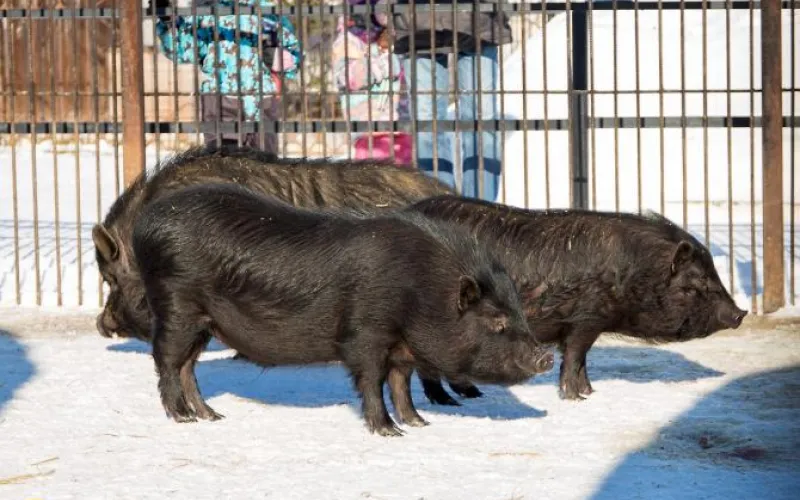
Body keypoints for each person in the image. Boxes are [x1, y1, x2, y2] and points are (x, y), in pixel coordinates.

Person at [390, 0, 512, 200]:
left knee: (468, 120)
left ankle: (465, 209)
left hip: (462, 19)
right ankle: (452, 209)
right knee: (471, 120)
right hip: (426, 20)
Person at [152, 0, 302, 152]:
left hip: (263, 102)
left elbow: (295, 55)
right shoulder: (206, 12)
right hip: (221, 101)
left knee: (265, 169)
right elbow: (181, 50)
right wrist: (168, 22)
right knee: (224, 168)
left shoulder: (269, 14)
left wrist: (278, 57)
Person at [330, 0, 411, 165]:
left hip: (401, 125)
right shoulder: (347, 41)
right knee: (373, 183)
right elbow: (350, 79)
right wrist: (379, 50)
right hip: (368, 130)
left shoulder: (398, 37)